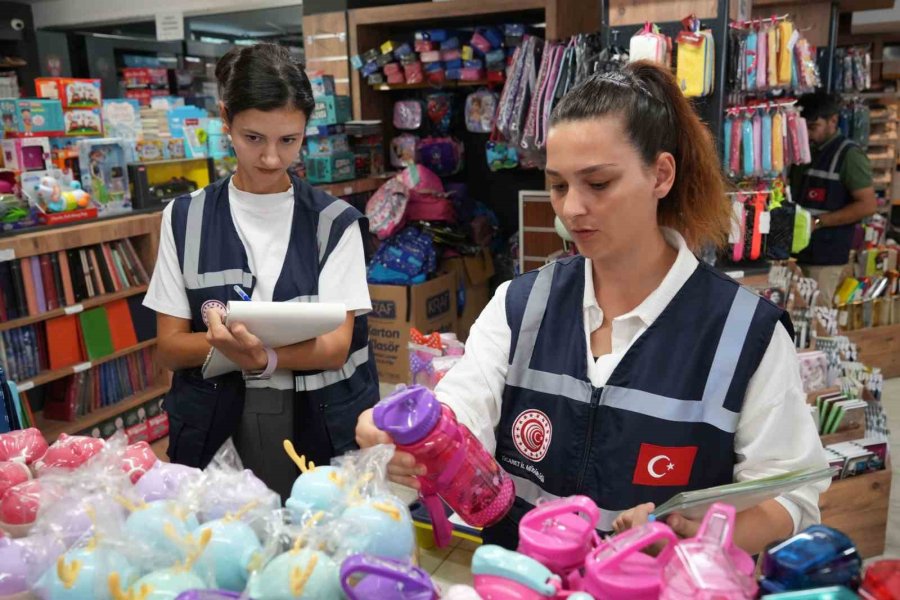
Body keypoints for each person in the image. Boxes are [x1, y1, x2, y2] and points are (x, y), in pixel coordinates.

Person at [357, 62, 828, 554]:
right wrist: (409, 434)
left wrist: (702, 534)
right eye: (559, 185)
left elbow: (792, 493)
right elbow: (461, 411)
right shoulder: (520, 305)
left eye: (598, 184)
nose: (571, 208)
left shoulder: (743, 333)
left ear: (660, 175)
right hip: (520, 582)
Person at [145, 43, 379, 499]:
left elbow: (336, 346)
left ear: (305, 129)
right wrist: (238, 350)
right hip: (214, 421)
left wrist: (262, 357)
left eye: (288, 140)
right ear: (226, 118)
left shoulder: (335, 223)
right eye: (254, 137)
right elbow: (170, 348)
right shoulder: (184, 218)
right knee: (222, 543)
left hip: (318, 419)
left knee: (316, 540)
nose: (272, 158)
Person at [790, 92, 877, 306]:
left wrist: (819, 222)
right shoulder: (806, 150)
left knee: (816, 317)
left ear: (833, 121)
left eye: (812, 127)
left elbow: (867, 205)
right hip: (795, 253)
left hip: (825, 258)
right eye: (802, 128)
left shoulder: (849, 156)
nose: (807, 134)